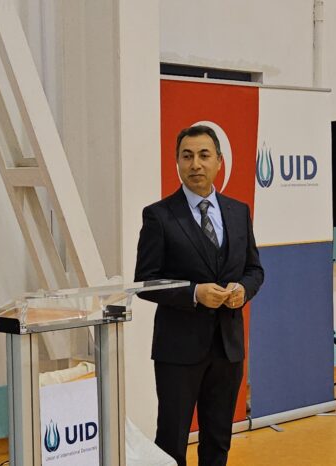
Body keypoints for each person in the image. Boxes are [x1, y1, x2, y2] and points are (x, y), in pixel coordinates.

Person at [134, 125, 264, 465]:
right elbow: (146, 281)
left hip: (228, 347)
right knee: (172, 441)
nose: (195, 164)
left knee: (218, 441)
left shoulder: (239, 212)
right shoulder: (159, 216)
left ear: (219, 161)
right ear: (177, 162)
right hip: (178, 350)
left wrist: (242, 290)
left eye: (204, 155)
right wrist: (194, 293)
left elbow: (254, 270)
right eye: (187, 156)